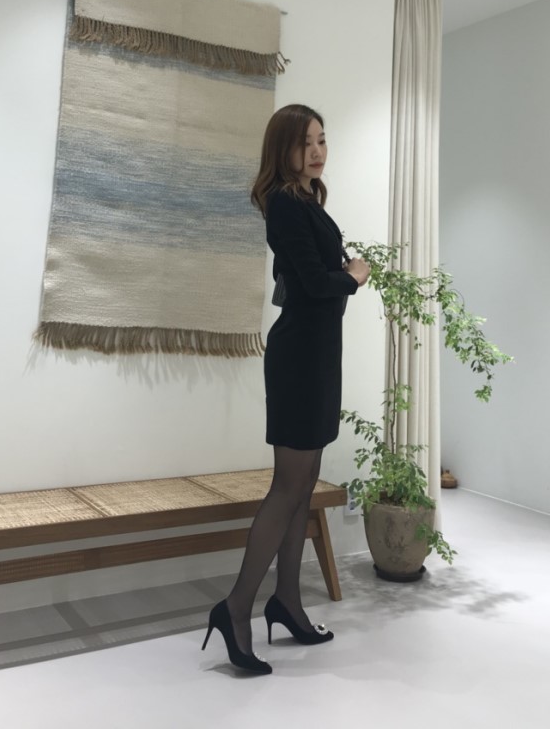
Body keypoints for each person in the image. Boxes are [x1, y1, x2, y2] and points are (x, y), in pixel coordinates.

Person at [202, 104, 370, 675]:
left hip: (318, 355)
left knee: (302, 489)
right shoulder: (284, 204)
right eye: (306, 143)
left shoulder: (307, 200)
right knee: (287, 488)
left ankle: (289, 603)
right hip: (299, 357)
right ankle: (235, 607)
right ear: (284, 149)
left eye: (322, 140)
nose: (317, 151)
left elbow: (312, 279)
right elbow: (317, 285)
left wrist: (343, 273)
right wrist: (354, 274)